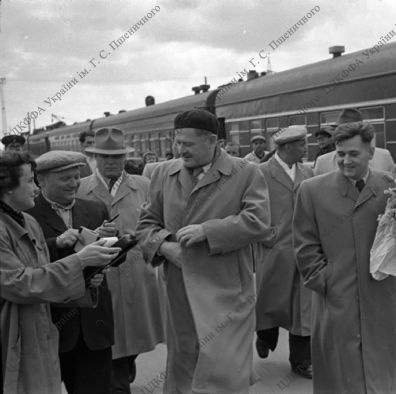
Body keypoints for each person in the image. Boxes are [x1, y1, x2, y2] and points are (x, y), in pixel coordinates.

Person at [136, 109, 270, 393]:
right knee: (184, 361)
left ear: (212, 141)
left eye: (187, 143)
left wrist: (208, 231)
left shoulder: (246, 172)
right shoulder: (163, 173)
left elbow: (258, 222)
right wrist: (164, 246)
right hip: (180, 290)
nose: (179, 150)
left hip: (228, 289)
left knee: (224, 369)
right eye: (177, 142)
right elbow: (146, 224)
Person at [293, 121, 396, 394]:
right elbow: (304, 247)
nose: (345, 160)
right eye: (340, 153)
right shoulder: (311, 190)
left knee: (379, 368)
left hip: (381, 295)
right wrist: (326, 281)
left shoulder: (392, 187)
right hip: (335, 297)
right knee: (338, 371)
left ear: (371, 151)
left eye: (353, 154)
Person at [1, 151, 120, 394]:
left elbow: (43, 274)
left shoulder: (27, 222)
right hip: (13, 337)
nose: (35, 189)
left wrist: (87, 283)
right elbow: (17, 283)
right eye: (29, 181)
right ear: (7, 187)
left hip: (39, 333)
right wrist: (79, 261)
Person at [79, 128, 165, 393]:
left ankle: (127, 363)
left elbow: (159, 225)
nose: (111, 162)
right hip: (101, 277)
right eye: (104, 157)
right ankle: (118, 376)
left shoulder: (144, 186)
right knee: (109, 341)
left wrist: (135, 238)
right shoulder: (81, 189)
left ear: (125, 157)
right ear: (94, 157)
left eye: (116, 156)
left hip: (137, 273)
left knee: (135, 336)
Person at [255, 126, 313, 379]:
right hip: (274, 249)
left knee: (304, 307)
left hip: (303, 248)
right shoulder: (260, 173)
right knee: (271, 299)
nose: (306, 147)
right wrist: (268, 234)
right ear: (286, 146)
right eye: (301, 144)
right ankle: (265, 336)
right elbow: (250, 208)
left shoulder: (308, 172)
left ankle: (301, 360)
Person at [313, 108, 394, 175]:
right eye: (342, 130)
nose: (347, 161)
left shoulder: (384, 157)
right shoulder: (323, 162)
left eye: (354, 154)